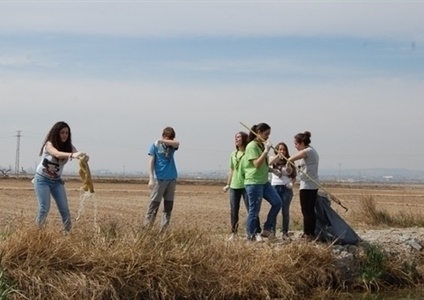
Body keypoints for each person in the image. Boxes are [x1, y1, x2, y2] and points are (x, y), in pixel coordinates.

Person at [33, 121, 83, 232]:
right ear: (56, 133)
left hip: (56, 182)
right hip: (42, 180)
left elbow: (77, 153)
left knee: (64, 209)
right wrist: (72, 155)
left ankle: (68, 235)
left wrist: (82, 156)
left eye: (67, 133)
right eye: (62, 132)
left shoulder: (69, 146)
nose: (65, 135)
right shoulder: (49, 144)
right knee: (44, 208)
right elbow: (57, 154)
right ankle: (36, 233)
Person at [244, 123, 282, 241]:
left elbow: (264, 165)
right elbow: (256, 164)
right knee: (254, 211)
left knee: (277, 202)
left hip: (264, 181)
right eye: (266, 134)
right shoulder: (251, 146)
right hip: (254, 182)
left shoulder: (260, 145)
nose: (267, 137)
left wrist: (272, 170)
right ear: (259, 132)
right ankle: (250, 236)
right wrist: (266, 151)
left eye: (269, 135)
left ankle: (267, 228)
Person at [223, 131, 261, 241]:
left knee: (251, 209)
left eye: (238, 137)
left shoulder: (248, 153)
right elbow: (231, 169)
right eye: (235, 137)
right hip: (235, 185)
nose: (236, 139)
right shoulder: (233, 154)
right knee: (234, 210)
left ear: (244, 139)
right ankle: (234, 233)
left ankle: (256, 232)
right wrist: (228, 184)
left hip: (246, 184)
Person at [144, 126, 179, 231]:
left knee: (168, 207)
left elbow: (177, 144)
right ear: (164, 135)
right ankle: (146, 230)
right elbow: (151, 161)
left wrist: (164, 141)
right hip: (160, 179)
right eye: (168, 138)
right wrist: (151, 178)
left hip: (171, 179)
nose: (169, 141)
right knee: (153, 206)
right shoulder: (155, 146)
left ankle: (164, 231)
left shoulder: (172, 146)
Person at [286, 131, 319, 240]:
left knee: (307, 210)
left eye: (296, 144)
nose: (295, 146)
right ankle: (310, 232)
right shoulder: (309, 151)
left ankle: (307, 233)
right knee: (309, 210)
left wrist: (288, 160)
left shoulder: (308, 151)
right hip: (309, 184)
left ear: (301, 143)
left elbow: (292, 158)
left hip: (308, 185)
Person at [269, 142, 297, 240]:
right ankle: (272, 232)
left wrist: (291, 184)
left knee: (285, 211)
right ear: (276, 150)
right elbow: (268, 164)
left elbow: (293, 175)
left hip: (286, 188)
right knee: (275, 210)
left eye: (284, 149)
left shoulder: (290, 161)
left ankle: (285, 232)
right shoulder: (273, 159)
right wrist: (277, 156)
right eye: (280, 149)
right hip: (275, 187)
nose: (282, 151)